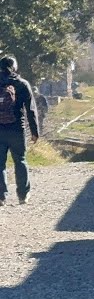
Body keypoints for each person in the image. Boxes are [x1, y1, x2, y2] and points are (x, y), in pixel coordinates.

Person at [0, 55, 41, 206]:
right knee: (20, 160)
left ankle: (1, 196)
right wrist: (35, 131)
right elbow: (30, 109)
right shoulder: (22, 84)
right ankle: (23, 195)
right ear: (14, 67)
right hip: (17, 129)